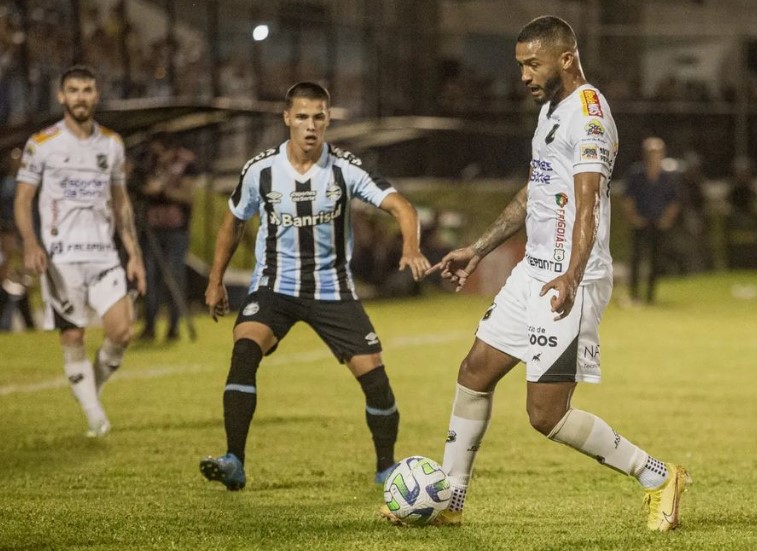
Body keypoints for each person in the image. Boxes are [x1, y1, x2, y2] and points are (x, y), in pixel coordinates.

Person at [384, 16, 691, 531]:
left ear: (565, 59)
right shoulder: (550, 107)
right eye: (520, 65)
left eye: (533, 63)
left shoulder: (589, 115)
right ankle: (452, 502)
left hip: (570, 278)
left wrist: (571, 274)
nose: (524, 74)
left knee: (546, 416)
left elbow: (589, 202)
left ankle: (657, 475)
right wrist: (478, 249)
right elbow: (535, 192)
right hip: (534, 271)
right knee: (474, 372)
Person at [199, 81, 431, 491]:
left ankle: (385, 467)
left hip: (332, 290)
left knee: (375, 378)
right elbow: (233, 221)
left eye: (318, 117)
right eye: (302, 116)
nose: (310, 126)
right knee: (244, 350)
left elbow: (402, 206)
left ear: (328, 120)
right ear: (287, 118)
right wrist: (215, 280)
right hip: (275, 287)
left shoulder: (345, 169)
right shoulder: (261, 170)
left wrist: (410, 247)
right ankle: (234, 459)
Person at [14, 65, 146, 437]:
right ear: (61, 97)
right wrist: (30, 242)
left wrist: (133, 254)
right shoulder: (42, 144)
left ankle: (91, 392)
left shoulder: (111, 144)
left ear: (96, 95)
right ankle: (95, 418)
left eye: (87, 90)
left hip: (104, 254)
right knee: (73, 337)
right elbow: (23, 201)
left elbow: (121, 204)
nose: (80, 97)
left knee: (121, 332)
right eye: (73, 90)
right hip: (61, 258)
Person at [132, 132, 197, 341]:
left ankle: (174, 327)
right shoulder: (149, 162)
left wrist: (162, 191)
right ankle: (149, 326)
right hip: (151, 230)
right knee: (149, 278)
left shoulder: (185, 162)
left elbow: (189, 195)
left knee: (173, 278)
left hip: (176, 231)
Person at [622, 137, 681, 304]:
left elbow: (673, 201)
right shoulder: (636, 174)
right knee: (636, 258)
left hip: (658, 222)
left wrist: (667, 219)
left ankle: (650, 296)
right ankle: (634, 294)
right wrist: (633, 218)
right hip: (640, 221)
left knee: (656, 259)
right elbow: (628, 198)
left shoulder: (667, 176)